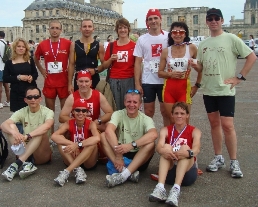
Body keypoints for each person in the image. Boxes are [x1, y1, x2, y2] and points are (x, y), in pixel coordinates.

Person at [192, 8, 257, 178]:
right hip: (209, 89)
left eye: (216, 18)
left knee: (228, 126)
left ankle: (234, 161)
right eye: (210, 19)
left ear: (221, 20)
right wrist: (194, 66)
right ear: (207, 21)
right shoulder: (204, 44)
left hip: (225, 90)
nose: (213, 21)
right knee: (214, 125)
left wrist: (239, 77)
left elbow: (252, 57)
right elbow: (201, 67)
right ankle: (218, 157)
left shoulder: (231, 38)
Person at [101, 89, 157, 188]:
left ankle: (123, 174)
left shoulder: (146, 119)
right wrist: (118, 155)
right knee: (103, 136)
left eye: (135, 102)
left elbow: (153, 134)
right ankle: (127, 172)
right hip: (120, 152)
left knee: (151, 144)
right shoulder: (118, 114)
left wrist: (131, 145)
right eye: (129, 101)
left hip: (138, 155)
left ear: (140, 104)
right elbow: (109, 130)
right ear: (124, 102)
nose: (132, 105)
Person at [149, 102, 201, 206]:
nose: (179, 116)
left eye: (182, 113)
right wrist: (163, 151)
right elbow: (159, 147)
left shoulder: (195, 131)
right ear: (172, 115)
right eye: (176, 113)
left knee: (186, 149)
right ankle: (160, 188)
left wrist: (187, 152)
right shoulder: (165, 130)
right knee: (166, 148)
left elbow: (196, 148)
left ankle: (176, 190)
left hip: (187, 174)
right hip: (170, 171)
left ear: (187, 115)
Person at [1, 86, 54, 181]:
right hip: (25, 148)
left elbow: (47, 125)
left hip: (41, 153)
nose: (33, 99)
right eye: (30, 97)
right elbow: (4, 125)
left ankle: (17, 164)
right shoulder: (22, 111)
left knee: (41, 131)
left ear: (40, 99)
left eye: (36, 97)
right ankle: (25, 163)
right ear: (25, 100)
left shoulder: (47, 111)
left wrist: (28, 136)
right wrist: (14, 133)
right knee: (11, 127)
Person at [158, 21, 202, 124]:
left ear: (185, 34)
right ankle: (170, 140)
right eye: (175, 32)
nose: (178, 34)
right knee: (171, 120)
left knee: (184, 121)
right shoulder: (166, 51)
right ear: (171, 34)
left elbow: (201, 69)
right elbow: (160, 73)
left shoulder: (191, 48)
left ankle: (185, 140)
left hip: (184, 88)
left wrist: (197, 85)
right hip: (169, 88)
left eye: (181, 32)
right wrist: (170, 74)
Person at [51, 98, 100, 187]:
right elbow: (54, 136)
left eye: (84, 110)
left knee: (92, 143)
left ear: (87, 112)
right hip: (72, 155)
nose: (80, 113)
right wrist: (71, 144)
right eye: (77, 110)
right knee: (60, 140)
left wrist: (78, 145)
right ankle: (77, 169)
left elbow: (97, 138)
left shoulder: (91, 123)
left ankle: (67, 171)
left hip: (87, 160)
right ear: (73, 111)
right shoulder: (69, 123)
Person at [133, 9, 170, 126]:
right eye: (150, 19)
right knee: (148, 112)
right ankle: (148, 140)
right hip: (148, 80)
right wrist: (137, 84)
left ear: (160, 19)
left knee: (166, 112)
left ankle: (167, 141)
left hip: (165, 79)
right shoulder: (142, 39)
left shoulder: (169, 37)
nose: (153, 21)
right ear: (147, 22)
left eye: (155, 18)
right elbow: (137, 62)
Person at [34, 20, 71, 125]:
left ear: (61, 30)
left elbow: (73, 60)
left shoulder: (67, 43)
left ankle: (64, 136)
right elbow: (35, 58)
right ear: (48, 29)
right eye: (52, 28)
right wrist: (41, 70)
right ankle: (50, 137)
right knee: (50, 113)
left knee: (64, 113)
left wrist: (70, 68)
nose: (55, 30)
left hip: (63, 82)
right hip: (49, 83)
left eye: (57, 28)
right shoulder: (43, 44)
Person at [102, 18, 136, 110]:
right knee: (115, 108)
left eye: (125, 27)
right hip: (114, 80)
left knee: (129, 106)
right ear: (117, 30)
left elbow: (138, 66)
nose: (123, 30)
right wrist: (110, 59)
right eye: (120, 28)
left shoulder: (134, 46)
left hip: (129, 79)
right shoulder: (111, 45)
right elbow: (105, 65)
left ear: (129, 29)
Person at [68, 19, 105, 92]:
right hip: (79, 80)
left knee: (94, 102)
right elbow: (71, 65)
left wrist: (95, 70)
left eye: (89, 26)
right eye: (84, 26)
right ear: (80, 29)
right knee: (79, 102)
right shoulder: (74, 45)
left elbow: (104, 65)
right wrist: (69, 84)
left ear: (93, 29)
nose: (87, 29)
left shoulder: (99, 45)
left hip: (94, 79)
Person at [3, 38, 38, 112]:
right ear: (15, 48)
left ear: (26, 48)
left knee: (32, 116)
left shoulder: (30, 59)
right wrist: (19, 77)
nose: (21, 48)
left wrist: (32, 77)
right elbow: (5, 78)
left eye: (23, 47)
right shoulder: (9, 62)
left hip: (30, 93)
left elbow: (35, 74)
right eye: (19, 46)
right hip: (16, 93)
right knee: (18, 119)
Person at [0, 31, 10, 109]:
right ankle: (8, 101)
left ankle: (0, 103)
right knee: (6, 86)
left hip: (0, 67)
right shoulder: (6, 44)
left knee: (0, 86)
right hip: (5, 67)